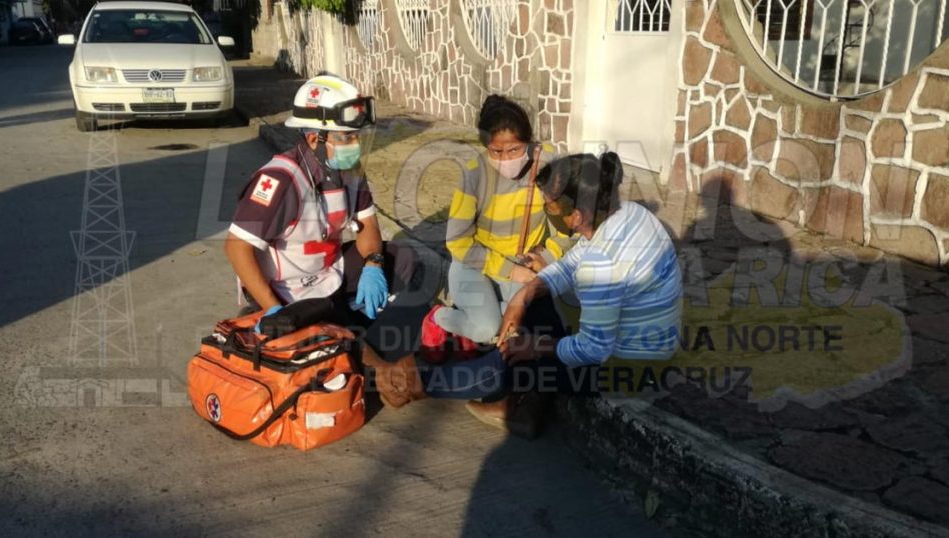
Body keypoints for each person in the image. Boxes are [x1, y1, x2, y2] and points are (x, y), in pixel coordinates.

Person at [363, 152, 683, 437]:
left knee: (510, 355)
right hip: (646, 344)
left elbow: (592, 350)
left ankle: (420, 386)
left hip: (627, 367)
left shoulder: (603, 264)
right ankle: (527, 401)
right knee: (531, 310)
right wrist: (524, 295)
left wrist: (535, 348)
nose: (546, 210)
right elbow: (573, 261)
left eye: (551, 206)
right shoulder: (625, 213)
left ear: (576, 216)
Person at [225, 74, 426, 362]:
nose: (355, 144)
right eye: (346, 137)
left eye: (357, 136)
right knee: (315, 346)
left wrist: (374, 264)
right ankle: (323, 330)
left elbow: (369, 226)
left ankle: (350, 329)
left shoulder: (350, 171)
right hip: (285, 292)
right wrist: (275, 311)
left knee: (401, 257)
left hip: (329, 274)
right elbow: (236, 247)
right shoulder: (280, 180)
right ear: (313, 138)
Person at [423, 95, 571, 350]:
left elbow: (569, 228)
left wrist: (548, 256)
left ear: (528, 140)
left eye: (514, 150)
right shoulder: (474, 174)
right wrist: (510, 271)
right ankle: (438, 317)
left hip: (524, 266)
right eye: (496, 151)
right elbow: (457, 241)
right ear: (485, 146)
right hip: (475, 265)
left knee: (524, 324)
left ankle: (479, 317)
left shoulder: (549, 165)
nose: (505, 159)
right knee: (487, 329)